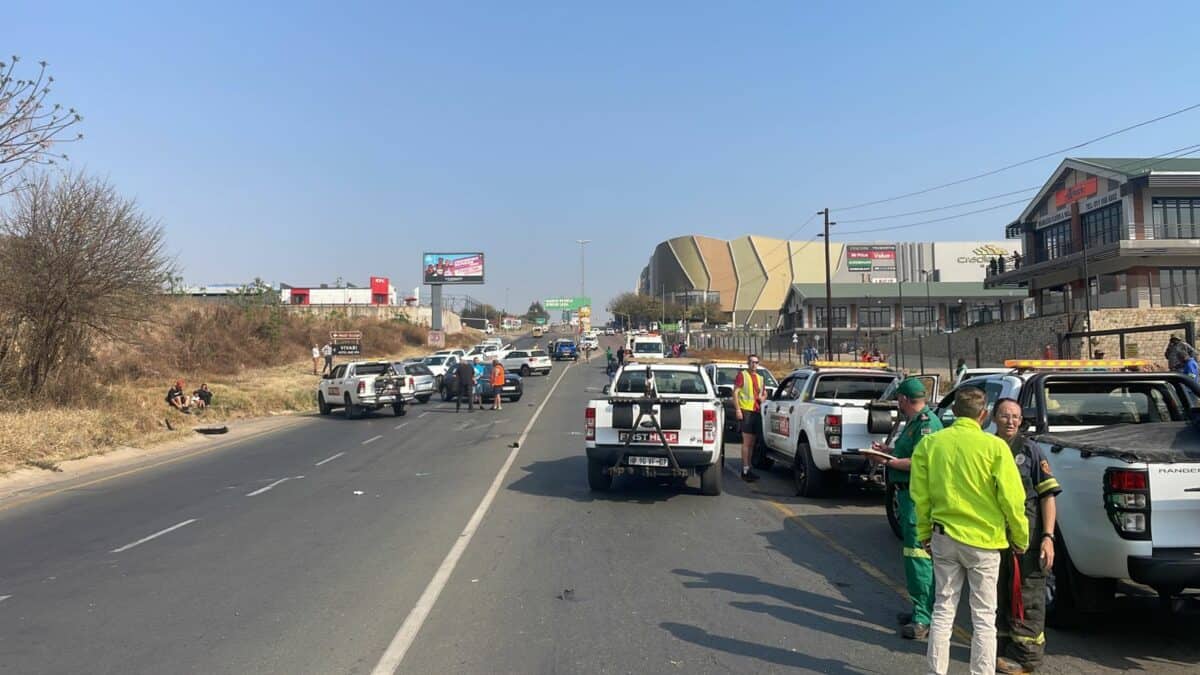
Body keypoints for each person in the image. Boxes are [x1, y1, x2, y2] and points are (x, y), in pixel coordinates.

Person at [911, 387, 1029, 675]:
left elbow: (920, 495)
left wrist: (925, 533)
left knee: (943, 609)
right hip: (985, 543)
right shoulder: (995, 447)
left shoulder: (931, 445)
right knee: (984, 617)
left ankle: (936, 671)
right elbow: (1013, 500)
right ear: (984, 415)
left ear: (954, 412)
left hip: (944, 537)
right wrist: (1020, 537)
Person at [865, 377, 942, 639]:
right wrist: (888, 451)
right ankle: (920, 608)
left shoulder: (926, 425)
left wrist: (887, 461)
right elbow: (907, 453)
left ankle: (924, 618)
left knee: (919, 558)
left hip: (917, 500)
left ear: (903, 400)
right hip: (908, 498)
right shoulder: (914, 423)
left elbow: (919, 463)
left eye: (898, 400)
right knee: (913, 558)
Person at [992, 398, 1061, 674]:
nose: (1011, 421)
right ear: (993, 418)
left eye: (1016, 417)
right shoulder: (987, 447)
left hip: (1028, 536)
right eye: (1005, 415)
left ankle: (1026, 658)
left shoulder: (1031, 451)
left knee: (1028, 595)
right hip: (994, 535)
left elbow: (1047, 496)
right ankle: (998, 649)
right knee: (997, 593)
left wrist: (1048, 536)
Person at [734, 354, 767, 482]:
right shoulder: (742, 375)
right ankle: (745, 469)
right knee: (747, 442)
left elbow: (764, 393)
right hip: (746, 411)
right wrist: (738, 409)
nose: (754, 365)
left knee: (753, 443)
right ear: (748, 363)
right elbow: (735, 392)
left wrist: (762, 398)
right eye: (752, 362)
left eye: (756, 362)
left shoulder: (760, 378)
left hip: (756, 411)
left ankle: (749, 467)